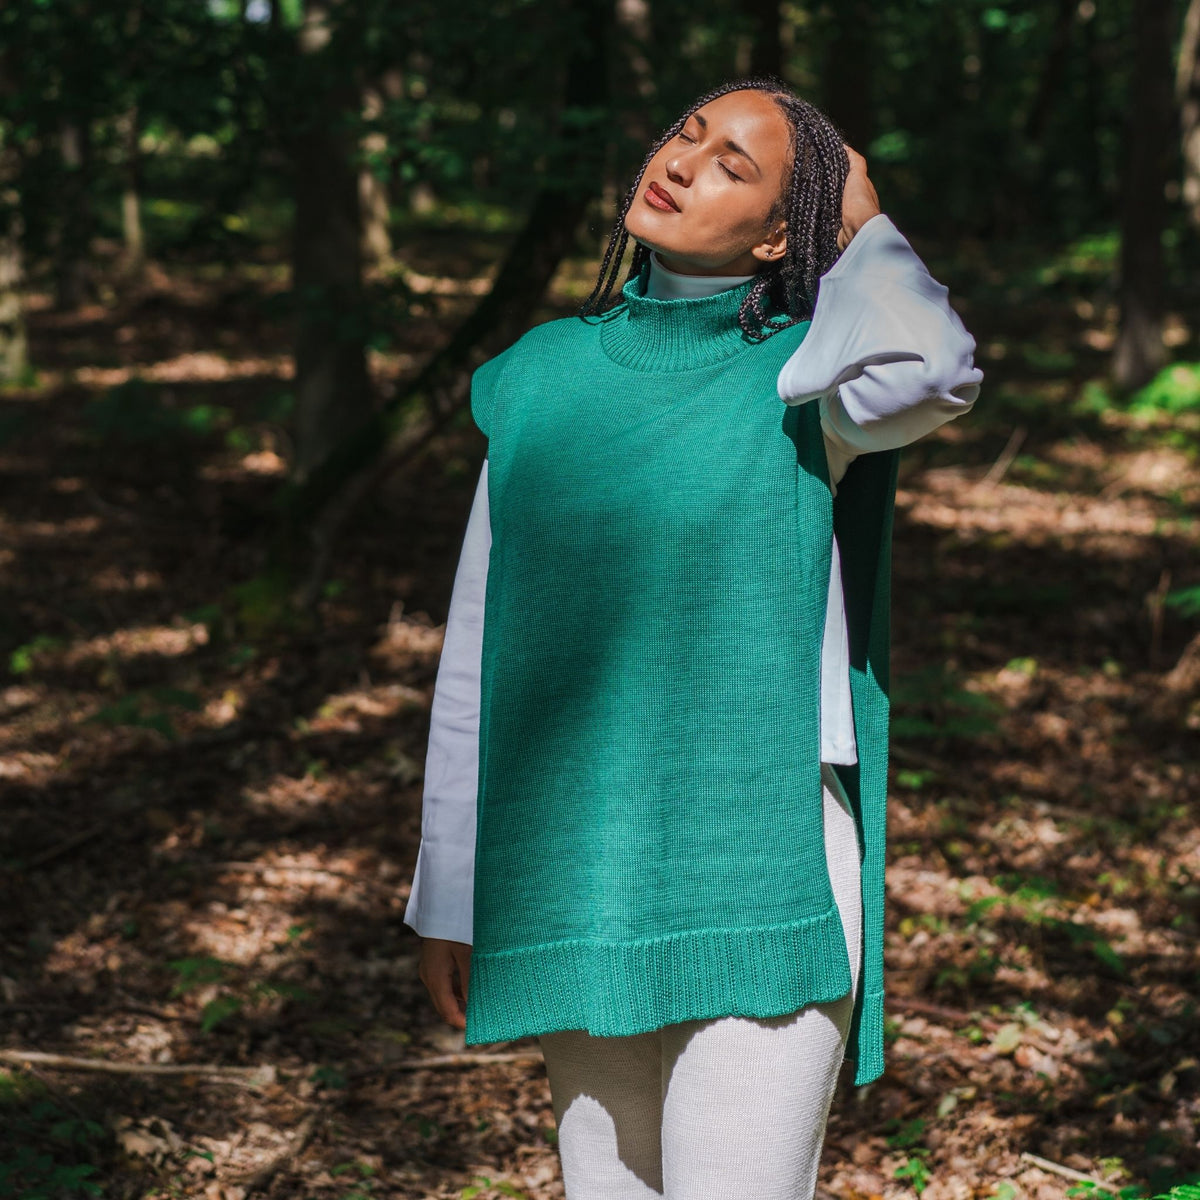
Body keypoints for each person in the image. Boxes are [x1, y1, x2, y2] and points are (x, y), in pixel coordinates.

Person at [404, 76, 983, 1200]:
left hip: (761, 862)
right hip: (576, 863)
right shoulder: (536, 378)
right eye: (687, 132)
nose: (681, 161)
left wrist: (862, 225)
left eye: (733, 165)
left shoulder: (812, 383)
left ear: (780, 235)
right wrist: (452, 889)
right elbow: (479, 641)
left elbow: (939, 368)